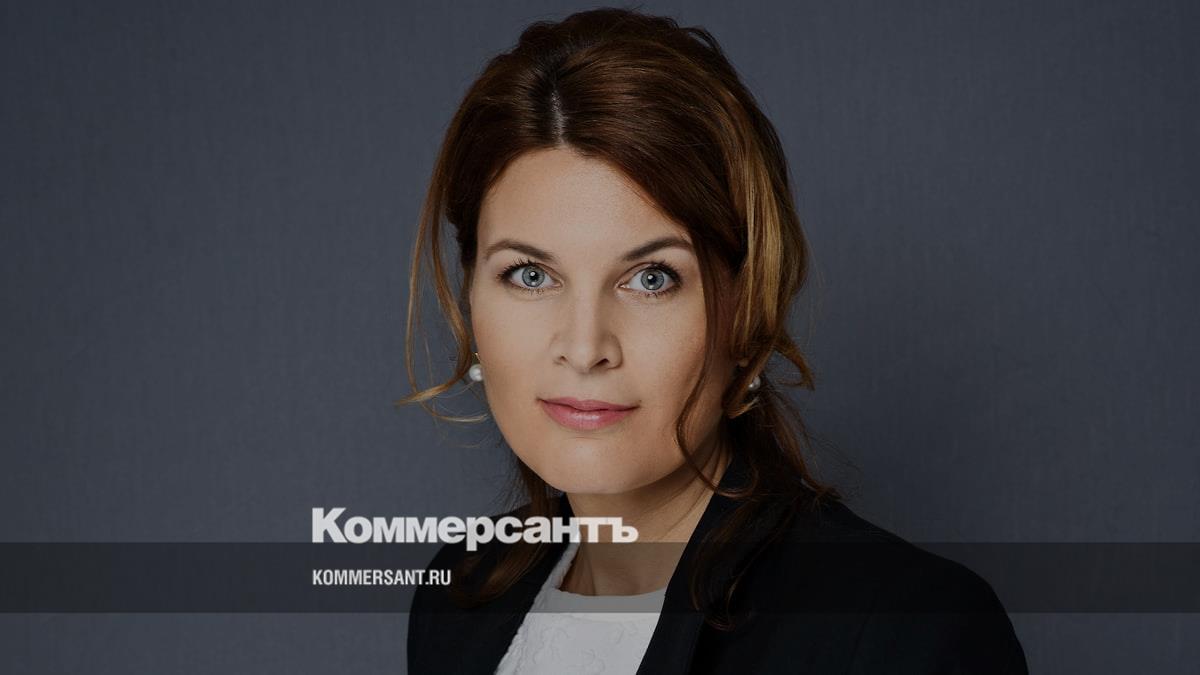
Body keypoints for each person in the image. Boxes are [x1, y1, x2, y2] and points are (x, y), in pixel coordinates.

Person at [398, 8, 1028, 674]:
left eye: (651, 278)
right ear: (470, 295)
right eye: (530, 275)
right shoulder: (459, 598)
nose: (584, 348)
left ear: (747, 308)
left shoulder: (906, 633)